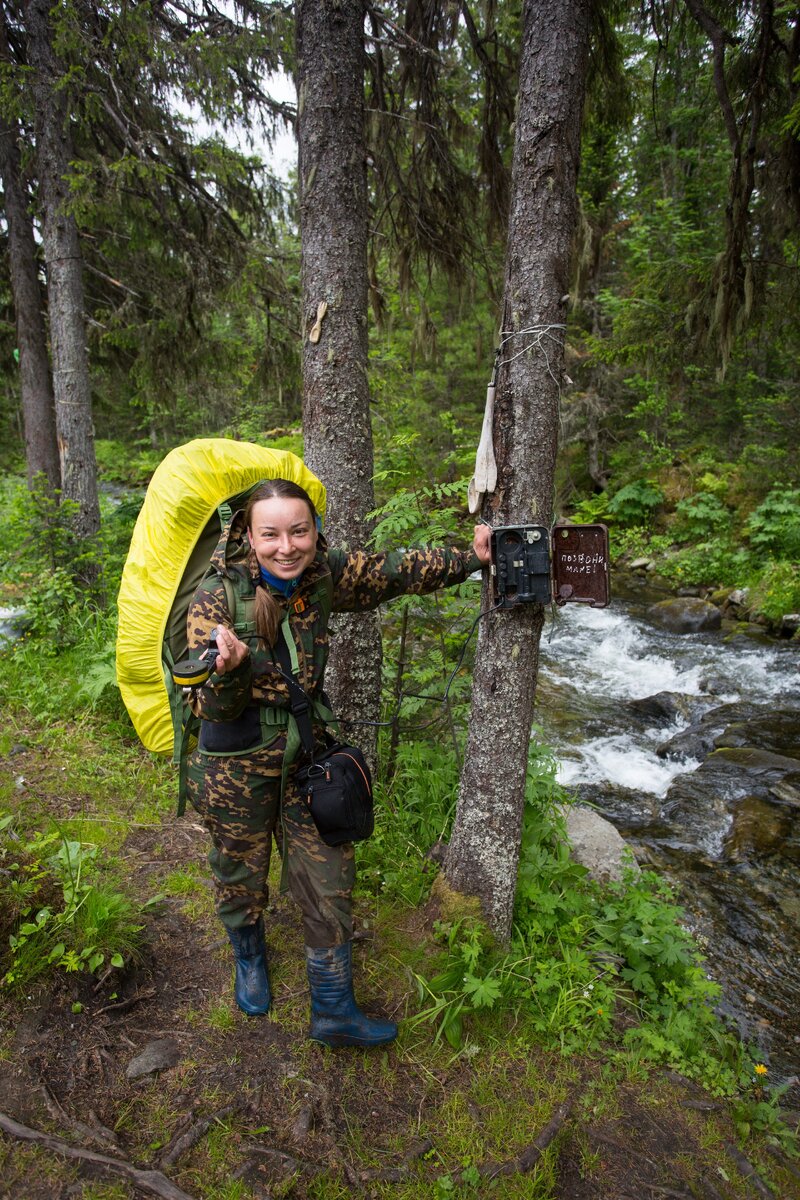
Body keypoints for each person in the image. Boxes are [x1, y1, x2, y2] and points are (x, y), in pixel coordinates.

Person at [185, 477, 491, 1047]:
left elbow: (394, 571)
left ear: (314, 531)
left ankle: (333, 1010)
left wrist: (469, 559)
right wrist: (231, 672)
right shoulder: (215, 601)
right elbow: (206, 706)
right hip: (234, 764)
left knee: (329, 877)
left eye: (298, 531)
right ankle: (248, 955)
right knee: (239, 869)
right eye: (270, 533)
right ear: (248, 536)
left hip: (308, 756)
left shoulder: (322, 575)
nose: (286, 546)